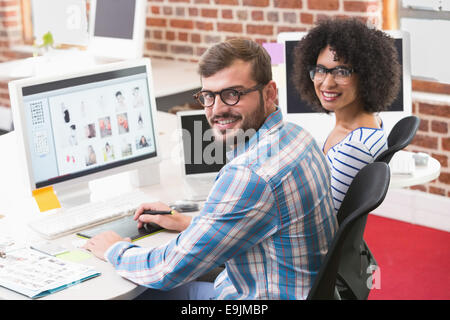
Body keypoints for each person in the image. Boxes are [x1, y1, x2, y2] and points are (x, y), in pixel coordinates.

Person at [83, 39, 337, 300]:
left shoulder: (250, 174)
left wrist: (115, 249)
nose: (216, 110)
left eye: (232, 94)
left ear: (269, 93)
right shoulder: (299, 137)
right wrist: (188, 223)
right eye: (208, 96)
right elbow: (254, 219)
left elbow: (166, 270)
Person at [291, 18, 401, 299]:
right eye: (320, 70)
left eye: (341, 71)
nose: (327, 82)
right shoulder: (361, 123)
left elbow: (317, 225)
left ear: (366, 74)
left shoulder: (353, 148)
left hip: (303, 268)